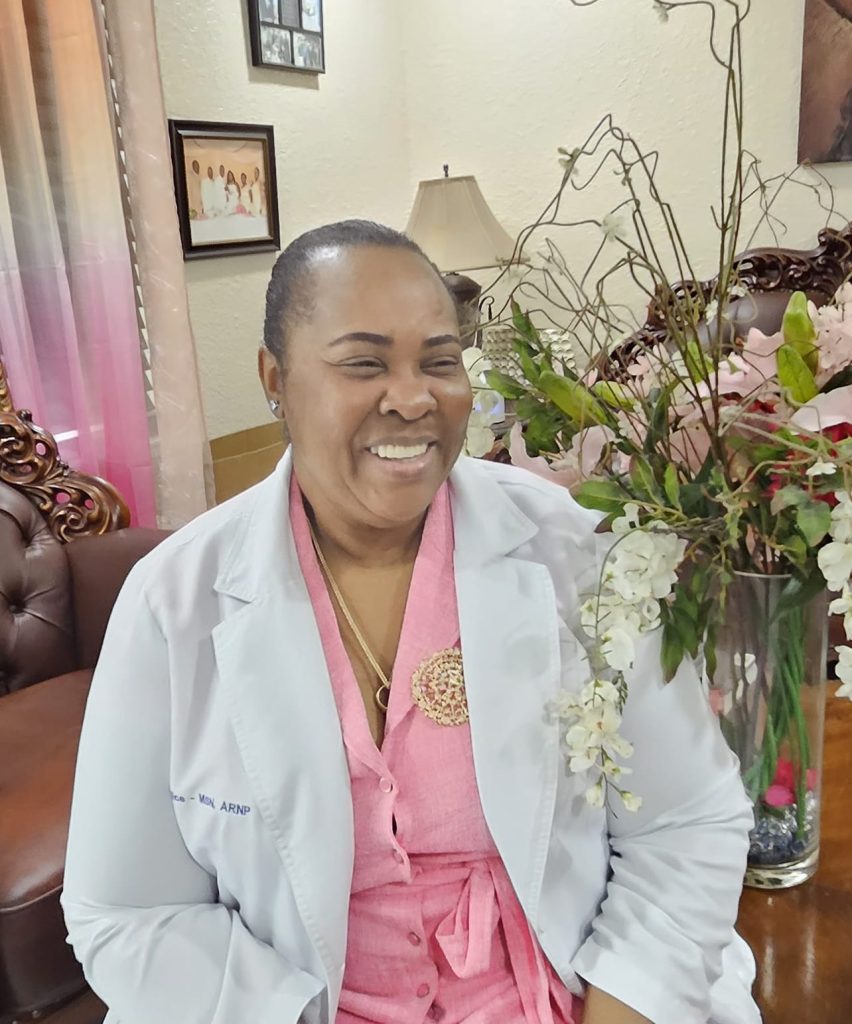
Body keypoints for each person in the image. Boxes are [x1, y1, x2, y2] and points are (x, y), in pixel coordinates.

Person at [62, 220, 761, 1024]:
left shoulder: (576, 553)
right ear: (275, 380)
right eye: (363, 363)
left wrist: (624, 1006)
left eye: (440, 360)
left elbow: (688, 817)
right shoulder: (172, 604)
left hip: (574, 993)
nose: (414, 396)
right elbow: (128, 912)